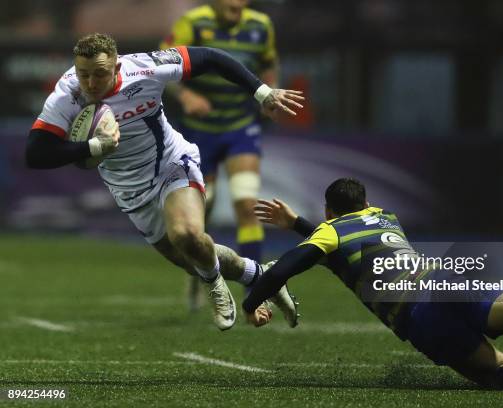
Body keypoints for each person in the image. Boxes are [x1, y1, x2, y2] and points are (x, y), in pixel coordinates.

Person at [25, 33, 303, 330]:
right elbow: (36, 153)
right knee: (189, 256)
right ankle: (260, 275)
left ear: (117, 68)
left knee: (187, 235)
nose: (91, 83)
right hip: (129, 189)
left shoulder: (145, 67)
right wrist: (93, 147)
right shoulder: (67, 94)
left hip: (171, 163)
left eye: (100, 74)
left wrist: (261, 92)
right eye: (84, 74)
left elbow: (210, 57)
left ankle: (215, 287)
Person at [243, 178, 503, 391]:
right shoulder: (385, 216)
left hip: (418, 314)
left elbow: (283, 270)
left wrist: (249, 304)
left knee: (489, 373)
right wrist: (298, 223)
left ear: (327, 212)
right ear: (366, 202)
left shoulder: (328, 232)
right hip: (446, 279)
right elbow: (345, 245)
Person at [161, 1, 277, 309]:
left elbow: (268, 64)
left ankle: (254, 292)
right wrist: (186, 95)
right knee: (204, 208)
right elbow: (161, 66)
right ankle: (200, 270)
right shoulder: (193, 23)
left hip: (241, 126)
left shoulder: (261, 26)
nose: (237, 3)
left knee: (246, 202)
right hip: (200, 131)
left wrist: (270, 92)